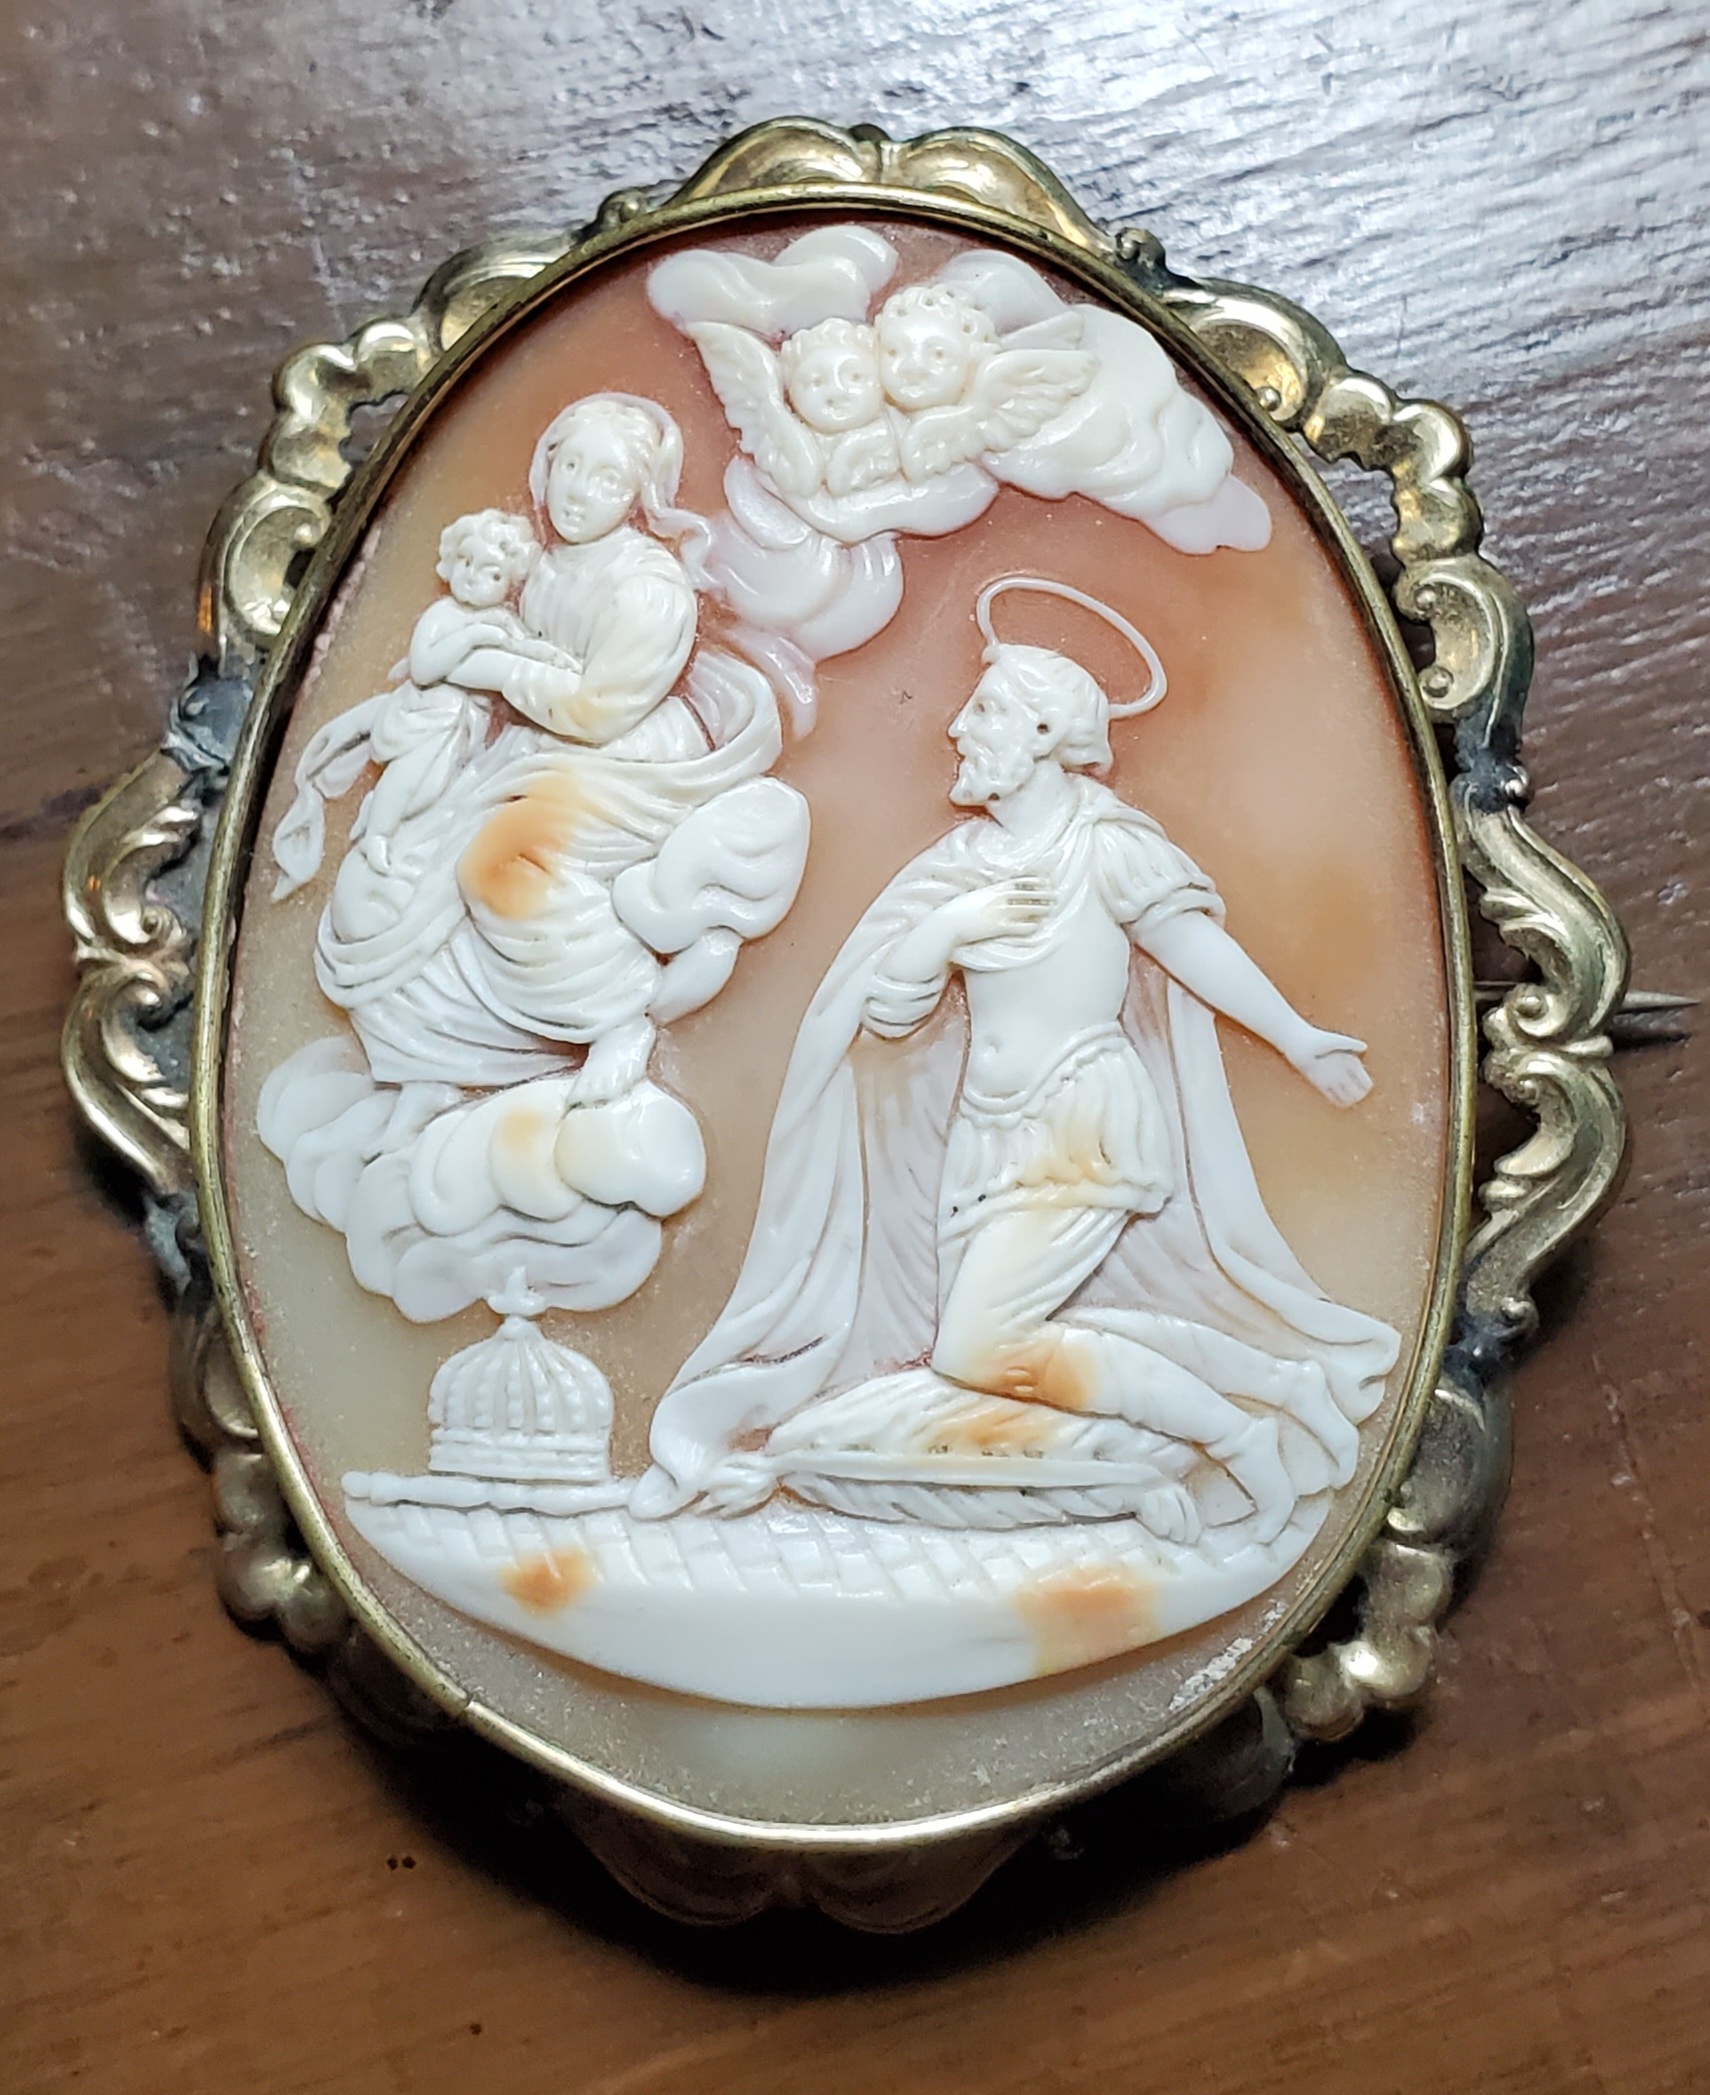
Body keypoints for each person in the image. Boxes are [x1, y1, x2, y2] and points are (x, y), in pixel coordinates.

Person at [635, 581, 1398, 1537]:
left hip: (1077, 1120)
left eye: (986, 711)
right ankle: (1277, 1385)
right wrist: (946, 930)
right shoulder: (963, 865)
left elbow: (1193, 950)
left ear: (1043, 731)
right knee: (1018, 1334)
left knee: (978, 1346)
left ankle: (1242, 1445)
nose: (957, 727)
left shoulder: (1103, 846)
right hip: (984, 1139)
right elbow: (889, 1009)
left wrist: (1296, 1037)